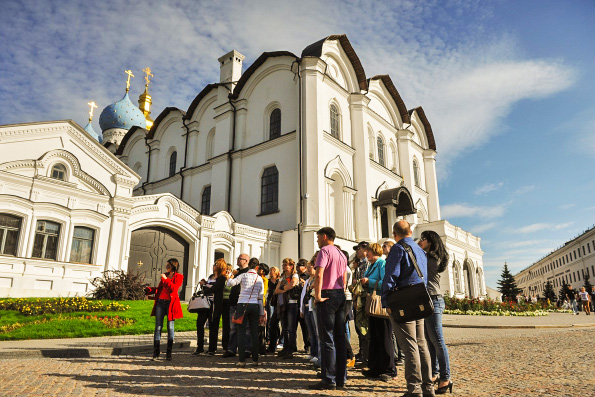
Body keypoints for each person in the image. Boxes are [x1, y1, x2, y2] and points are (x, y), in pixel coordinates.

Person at [382, 221, 436, 396]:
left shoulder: (398, 249)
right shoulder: (420, 250)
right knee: (421, 344)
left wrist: (386, 302)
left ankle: (414, 389)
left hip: (403, 301)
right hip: (418, 297)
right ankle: (428, 387)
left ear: (394, 234)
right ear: (411, 231)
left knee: (409, 346)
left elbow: (390, 277)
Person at [309, 227, 348, 391]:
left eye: (318, 237)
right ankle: (341, 378)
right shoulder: (340, 253)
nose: (317, 240)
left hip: (327, 294)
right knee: (339, 337)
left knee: (326, 338)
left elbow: (319, 274)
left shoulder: (324, 251)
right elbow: (344, 277)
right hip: (340, 294)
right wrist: (341, 291)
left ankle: (329, 379)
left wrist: (317, 296)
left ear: (324, 236)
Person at [419, 230, 452, 392]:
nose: (420, 241)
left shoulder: (430, 258)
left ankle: (445, 378)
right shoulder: (431, 257)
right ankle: (434, 374)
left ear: (430, 241)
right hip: (428, 300)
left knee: (437, 341)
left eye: (422, 239)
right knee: (430, 341)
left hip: (433, 300)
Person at [361, 242, 396, 382]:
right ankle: (375, 368)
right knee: (375, 337)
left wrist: (369, 281)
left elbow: (386, 283)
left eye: (367, 251)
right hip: (373, 304)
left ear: (373, 251)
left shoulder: (381, 263)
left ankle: (389, 369)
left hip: (381, 304)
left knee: (384, 336)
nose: (365, 254)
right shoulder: (372, 265)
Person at [226, 257, 265, 367]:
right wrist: (261, 312)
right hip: (255, 305)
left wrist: (229, 276)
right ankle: (255, 360)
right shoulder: (259, 279)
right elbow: (260, 297)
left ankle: (242, 360)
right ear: (257, 267)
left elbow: (230, 284)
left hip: (242, 304)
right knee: (254, 332)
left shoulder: (243, 275)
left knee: (241, 332)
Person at [146, 258, 183, 361]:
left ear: (174, 266)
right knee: (158, 327)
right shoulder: (165, 275)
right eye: (166, 265)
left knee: (170, 327)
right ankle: (156, 352)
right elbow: (160, 289)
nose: (166, 267)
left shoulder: (179, 276)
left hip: (170, 304)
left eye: (168, 266)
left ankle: (169, 353)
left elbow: (174, 289)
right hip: (160, 303)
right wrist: (149, 290)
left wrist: (166, 280)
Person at [222, 254, 250, 358]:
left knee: (246, 327)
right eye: (237, 258)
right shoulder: (236, 271)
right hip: (233, 301)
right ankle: (231, 349)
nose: (237, 260)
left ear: (246, 261)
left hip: (243, 302)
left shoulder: (248, 272)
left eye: (240, 259)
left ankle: (247, 349)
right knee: (232, 327)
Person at [383, 239, 404, 367]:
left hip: (396, 297)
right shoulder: (386, 261)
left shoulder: (395, 259)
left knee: (399, 330)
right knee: (394, 330)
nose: (383, 247)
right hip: (391, 297)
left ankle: (402, 356)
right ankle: (396, 355)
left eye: (385, 246)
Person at [274, 258, 300, 359]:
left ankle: (291, 349)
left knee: (291, 328)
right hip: (283, 304)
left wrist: (283, 288)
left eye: (286, 265)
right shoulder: (282, 276)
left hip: (292, 304)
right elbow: (276, 290)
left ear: (291, 266)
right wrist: (284, 288)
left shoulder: (294, 275)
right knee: (284, 327)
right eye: (283, 264)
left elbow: (291, 285)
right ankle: (285, 347)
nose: (284, 266)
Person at [351, 241, 370, 365]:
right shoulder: (359, 264)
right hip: (357, 297)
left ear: (365, 249)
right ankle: (362, 352)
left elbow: (363, 280)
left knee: (364, 325)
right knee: (359, 327)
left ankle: (366, 354)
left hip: (363, 297)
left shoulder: (367, 263)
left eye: (359, 249)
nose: (357, 251)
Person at [301, 256, 319, 366]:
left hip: (313, 306)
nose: (308, 269)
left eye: (310, 267)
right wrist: (301, 308)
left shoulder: (316, 278)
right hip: (307, 306)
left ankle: (317, 354)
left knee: (316, 332)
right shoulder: (308, 280)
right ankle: (313, 352)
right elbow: (303, 295)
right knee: (311, 332)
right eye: (307, 267)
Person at [296, 259, 311, 353]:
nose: (297, 267)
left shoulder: (308, 276)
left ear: (305, 267)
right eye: (297, 265)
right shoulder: (296, 276)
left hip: (305, 303)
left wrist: (303, 284)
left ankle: (308, 345)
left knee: (306, 327)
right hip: (296, 302)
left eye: (300, 265)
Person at [267, 266, 281, 352]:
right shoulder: (268, 281)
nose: (272, 272)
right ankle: (270, 339)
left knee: (276, 321)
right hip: (270, 301)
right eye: (271, 270)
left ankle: (277, 339)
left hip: (278, 301)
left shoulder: (279, 281)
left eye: (274, 270)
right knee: (270, 319)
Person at [257, 263, 270, 354]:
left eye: (260, 268)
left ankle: (261, 347)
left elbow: (263, 292)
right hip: (256, 302)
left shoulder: (264, 280)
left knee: (261, 326)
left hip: (261, 303)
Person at [221, 263, 233, 352]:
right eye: (226, 270)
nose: (227, 272)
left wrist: (228, 279)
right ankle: (225, 345)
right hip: (222, 302)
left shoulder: (233, 279)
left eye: (229, 270)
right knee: (225, 324)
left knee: (230, 325)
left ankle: (230, 344)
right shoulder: (222, 279)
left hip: (229, 302)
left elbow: (230, 288)